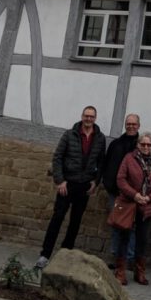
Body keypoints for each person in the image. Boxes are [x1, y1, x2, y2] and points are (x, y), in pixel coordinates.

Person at [36, 106, 106, 270]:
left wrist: (96, 182)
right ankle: (45, 255)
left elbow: (101, 162)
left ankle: (64, 255)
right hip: (67, 184)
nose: (88, 119)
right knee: (57, 218)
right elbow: (57, 157)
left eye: (92, 116)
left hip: (85, 186)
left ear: (95, 118)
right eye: (86, 116)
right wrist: (60, 181)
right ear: (82, 116)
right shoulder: (69, 134)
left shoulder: (100, 138)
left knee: (75, 222)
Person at [114, 131, 151, 285]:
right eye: (143, 144)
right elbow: (121, 179)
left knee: (142, 240)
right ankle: (120, 271)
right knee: (124, 238)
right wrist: (135, 195)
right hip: (129, 203)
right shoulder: (129, 158)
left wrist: (149, 198)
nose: (146, 147)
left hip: (146, 207)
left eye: (149, 144)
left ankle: (139, 271)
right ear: (138, 145)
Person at [102, 113, 141, 268]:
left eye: (134, 124)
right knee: (116, 225)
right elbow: (106, 165)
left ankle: (130, 258)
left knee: (132, 227)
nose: (131, 126)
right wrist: (108, 184)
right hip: (116, 193)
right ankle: (115, 256)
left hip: (134, 195)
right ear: (125, 125)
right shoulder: (116, 144)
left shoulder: (142, 145)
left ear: (138, 126)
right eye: (128, 124)